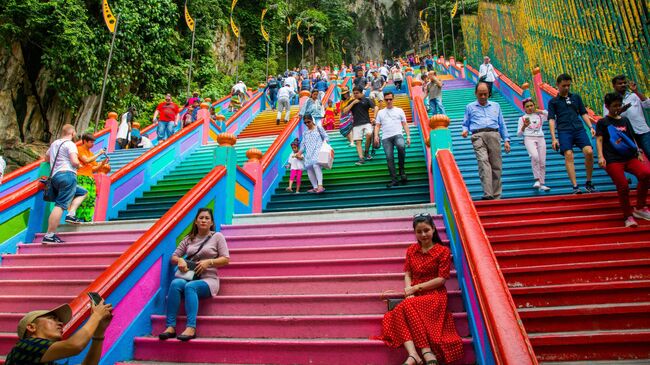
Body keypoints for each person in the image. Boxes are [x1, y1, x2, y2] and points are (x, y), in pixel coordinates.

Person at [381, 213, 464, 365]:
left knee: (403, 307)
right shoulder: (412, 250)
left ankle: (425, 351)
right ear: (415, 233)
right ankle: (413, 354)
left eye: (426, 230)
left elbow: (442, 279)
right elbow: (408, 273)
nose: (423, 234)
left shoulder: (442, 251)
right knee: (399, 310)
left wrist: (415, 288)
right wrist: (408, 291)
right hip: (415, 294)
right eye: (419, 232)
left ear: (433, 229)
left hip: (435, 294)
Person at [159, 208, 230, 341]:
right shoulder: (188, 239)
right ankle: (170, 326)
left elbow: (225, 259)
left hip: (209, 279)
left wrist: (208, 262)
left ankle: (191, 327)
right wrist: (180, 260)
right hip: (189, 276)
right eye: (201, 218)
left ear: (211, 223)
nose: (204, 220)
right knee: (175, 283)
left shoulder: (217, 237)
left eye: (207, 218)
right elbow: (173, 257)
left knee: (190, 287)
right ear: (196, 222)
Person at [597, 92, 650, 228]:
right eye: (614, 106)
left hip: (629, 156)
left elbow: (631, 137)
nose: (617, 108)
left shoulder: (624, 120)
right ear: (607, 106)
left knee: (645, 173)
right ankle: (628, 216)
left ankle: (640, 207)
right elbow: (599, 139)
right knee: (623, 186)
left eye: (619, 105)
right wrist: (601, 156)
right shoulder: (603, 122)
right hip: (613, 159)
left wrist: (638, 151)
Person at [5, 301, 113, 365]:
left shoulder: (44, 358)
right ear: (31, 327)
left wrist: (99, 332)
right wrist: (96, 316)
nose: (61, 323)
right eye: (52, 318)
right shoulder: (24, 347)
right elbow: (74, 346)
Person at [548, 73, 597, 194]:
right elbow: (551, 119)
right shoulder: (553, 102)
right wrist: (554, 138)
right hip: (564, 130)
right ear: (557, 85)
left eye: (568, 85)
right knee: (568, 154)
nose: (566, 88)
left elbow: (583, 113)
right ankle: (575, 186)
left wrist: (590, 126)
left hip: (578, 129)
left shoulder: (576, 97)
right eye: (564, 85)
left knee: (589, 151)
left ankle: (589, 181)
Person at [461, 82, 511, 200]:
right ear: (475, 94)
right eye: (480, 94)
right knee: (483, 162)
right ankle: (488, 193)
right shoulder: (470, 107)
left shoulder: (496, 106)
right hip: (478, 135)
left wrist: (507, 140)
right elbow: (465, 124)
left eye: (485, 94)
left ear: (489, 94)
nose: (483, 97)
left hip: (494, 134)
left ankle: (496, 195)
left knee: (496, 165)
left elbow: (502, 124)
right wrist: (465, 131)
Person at [42, 125, 88, 243]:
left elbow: (46, 158)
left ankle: (71, 214)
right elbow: (73, 161)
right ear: (72, 133)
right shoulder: (71, 144)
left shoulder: (54, 144)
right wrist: (79, 164)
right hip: (68, 175)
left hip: (55, 177)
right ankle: (49, 235)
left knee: (82, 192)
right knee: (60, 205)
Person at [604, 75, 650, 158]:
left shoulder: (634, 96)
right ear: (614, 86)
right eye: (620, 83)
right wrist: (620, 111)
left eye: (624, 83)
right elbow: (607, 119)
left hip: (642, 131)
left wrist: (636, 91)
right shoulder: (610, 100)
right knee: (633, 159)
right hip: (625, 135)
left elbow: (648, 105)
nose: (623, 85)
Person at [374, 91, 411, 187]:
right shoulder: (381, 112)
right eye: (387, 99)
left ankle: (402, 170)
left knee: (401, 145)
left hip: (398, 134)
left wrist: (408, 136)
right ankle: (394, 179)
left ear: (393, 99)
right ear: (384, 100)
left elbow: (404, 124)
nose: (389, 101)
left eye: (390, 99)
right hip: (386, 137)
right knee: (389, 158)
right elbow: (377, 126)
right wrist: (376, 136)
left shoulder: (399, 110)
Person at [517, 98, 551, 191]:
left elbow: (550, 115)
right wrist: (524, 126)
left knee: (542, 161)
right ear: (524, 108)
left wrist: (539, 111)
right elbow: (519, 134)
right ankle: (537, 179)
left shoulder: (540, 116)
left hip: (540, 138)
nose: (530, 108)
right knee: (535, 156)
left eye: (531, 105)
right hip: (528, 138)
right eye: (527, 106)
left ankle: (542, 183)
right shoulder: (522, 118)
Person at [76, 134, 110, 222]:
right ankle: (77, 217)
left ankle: (87, 218)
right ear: (84, 141)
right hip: (81, 176)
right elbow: (86, 160)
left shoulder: (90, 153)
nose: (93, 144)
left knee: (91, 198)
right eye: (91, 142)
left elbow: (94, 169)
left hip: (90, 177)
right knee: (82, 197)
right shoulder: (79, 149)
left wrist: (102, 164)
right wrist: (98, 153)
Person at [344, 86, 378, 166]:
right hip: (356, 124)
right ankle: (361, 158)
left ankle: (366, 151)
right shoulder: (351, 101)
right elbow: (345, 111)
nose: (355, 95)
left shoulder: (366, 100)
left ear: (361, 93)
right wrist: (353, 103)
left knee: (369, 134)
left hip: (367, 122)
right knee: (358, 141)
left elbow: (375, 107)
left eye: (357, 93)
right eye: (354, 93)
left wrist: (375, 117)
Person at [299, 115, 329, 193]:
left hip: (318, 151)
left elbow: (326, 137)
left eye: (308, 122)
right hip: (308, 153)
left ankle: (320, 186)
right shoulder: (305, 133)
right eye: (305, 123)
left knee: (316, 165)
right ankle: (315, 187)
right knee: (309, 168)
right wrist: (299, 153)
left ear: (312, 120)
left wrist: (324, 143)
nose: (307, 124)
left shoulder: (319, 128)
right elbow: (302, 145)